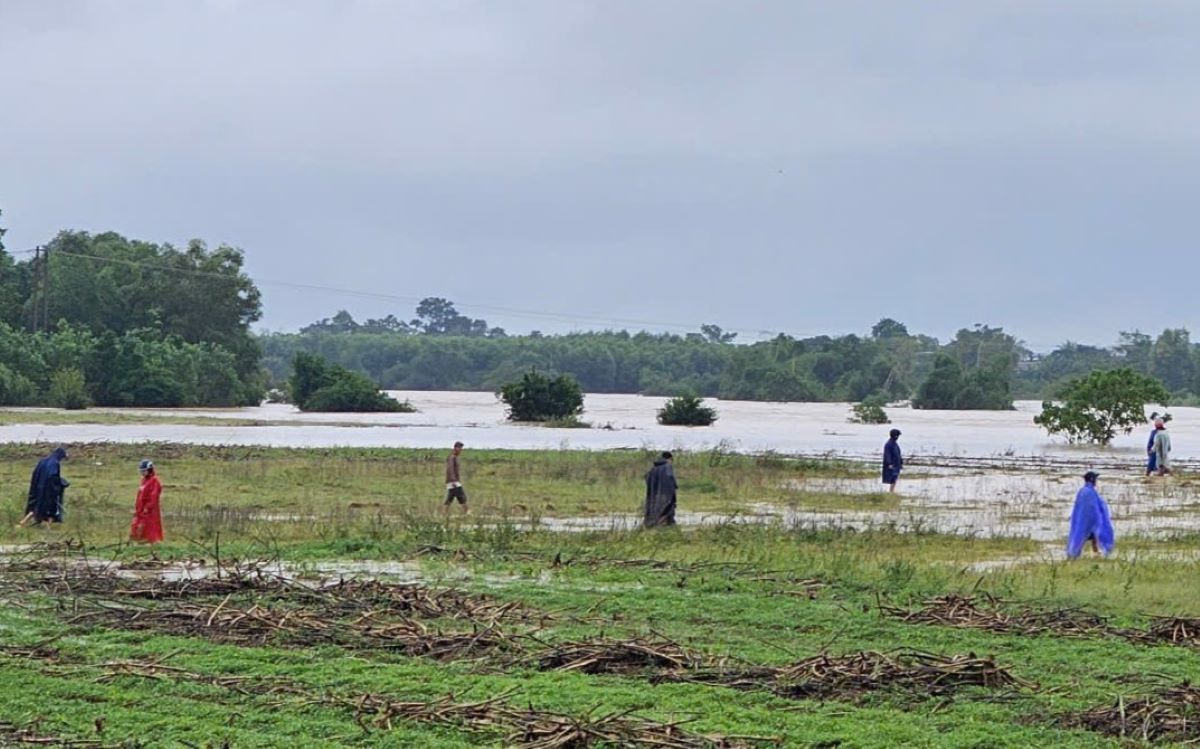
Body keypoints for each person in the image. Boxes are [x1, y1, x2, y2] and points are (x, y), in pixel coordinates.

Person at [1066, 471, 1114, 560]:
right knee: (1085, 536)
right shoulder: (1088, 492)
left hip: (1085, 519)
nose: (1096, 481)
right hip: (1088, 520)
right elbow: (1092, 506)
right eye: (1095, 479)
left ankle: (1095, 553)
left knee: (1092, 536)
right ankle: (1075, 554)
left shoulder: (1084, 491)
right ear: (1092, 480)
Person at [18, 446, 70, 528]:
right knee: (52, 507)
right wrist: (60, 483)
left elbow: (36, 474)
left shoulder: (43, 461)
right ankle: (47, 527)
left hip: (38, 487)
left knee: (36, 506)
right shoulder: (55, 463)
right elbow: (52, 476)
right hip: (48, 490)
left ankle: (24, 522)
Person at [130, 459, 164, 544]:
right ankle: (138, 540)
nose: (142, 473)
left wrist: (148, 507)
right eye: (141, 471)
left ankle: (151, 542)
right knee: (136, 524)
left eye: (144, 471)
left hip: (149, 509)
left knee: (148, 526)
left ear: (149, 470)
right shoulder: (144, 481)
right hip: (140, 508)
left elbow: (154, 496)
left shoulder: (155, 481)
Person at [643, 451, 678, 528]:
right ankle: (662, 526)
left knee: (654, 511)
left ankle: (652, 526)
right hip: (666, 494)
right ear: (670, 459)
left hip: (653, 495)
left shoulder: (653, 468)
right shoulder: (667, 466)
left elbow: (646, 478)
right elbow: (670, 479)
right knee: (667, 510)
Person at [443, 441, 468, 517]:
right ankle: (466, 512)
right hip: (453, 481)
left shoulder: (455, 457)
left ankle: (445, 513)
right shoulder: (452, 457)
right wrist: (453, 480)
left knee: (451, 497)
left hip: (454, 481)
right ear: (455, 448)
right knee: (461, 496)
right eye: (460, 448)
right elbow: (450, 469)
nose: (461, 450)